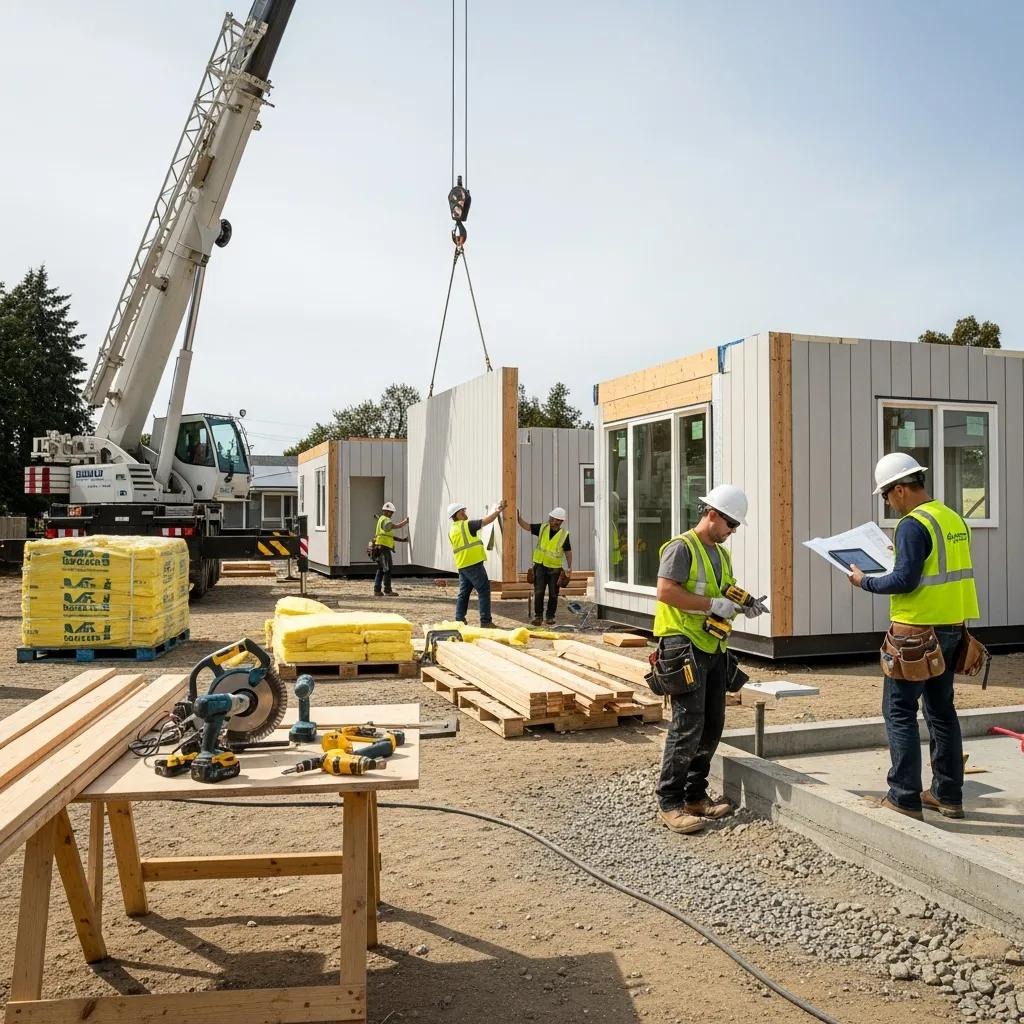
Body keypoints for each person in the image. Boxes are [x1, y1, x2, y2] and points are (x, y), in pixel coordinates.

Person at [847, 452, 979, 822]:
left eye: (886, 495)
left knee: (899, 711)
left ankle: (904, 796)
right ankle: (948, 794)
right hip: (952, 629)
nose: (887, 502)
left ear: (901, 489)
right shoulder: (952, 517)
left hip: (915, 635)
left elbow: (905, 581)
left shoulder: (912, 525)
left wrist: (864, 580)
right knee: (941, 713)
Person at [652, 484, 766, 834]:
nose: (732, 532)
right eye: (730, 525)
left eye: (735, 527)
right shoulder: (681, 547)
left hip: (713, 646)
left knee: (712, 722)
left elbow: (724, 588)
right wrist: (710, 605)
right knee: (688, 722)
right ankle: (669, 803)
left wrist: (745, 603)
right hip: (682, 645)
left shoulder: (720, 552)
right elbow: (666, 590)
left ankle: (694, 795)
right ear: (711, 514)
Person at [448, 499, 506, 627]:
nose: (465, 513)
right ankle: (485, 621)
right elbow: (486, 521)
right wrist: (498, 510)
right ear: (456, 515)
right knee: (484, 590)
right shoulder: (467, 525)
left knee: (464, 593)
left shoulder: (452, 530)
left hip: (462, 565)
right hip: (473, 563)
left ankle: (459, 620)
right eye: (462, 511)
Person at [517, 506, 572, 626]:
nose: (553, 522)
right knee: (539, 592)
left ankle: (550, 616)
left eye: (556, 520)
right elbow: (527, 526)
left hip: (555, 569)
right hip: (540, 566)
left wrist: (569, 568)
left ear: (561, 521)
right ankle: (538, 617)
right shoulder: (542, 528)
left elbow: (568, 551)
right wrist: (518, 518)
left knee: (553, 594)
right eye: (552, 519)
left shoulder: (564, 535)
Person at [373, 501, 409, 598]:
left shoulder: (382, 519)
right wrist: (405, 522)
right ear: (384, 511)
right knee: (387, 569)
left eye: (391, 513)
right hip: (383, 549)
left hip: (381, 548)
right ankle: (387, 591)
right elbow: (392, 526)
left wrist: (402, 540)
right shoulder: (385, 520)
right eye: (389, 512)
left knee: (381, 569)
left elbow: (389, 536)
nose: (390, 514)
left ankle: (377, 590)